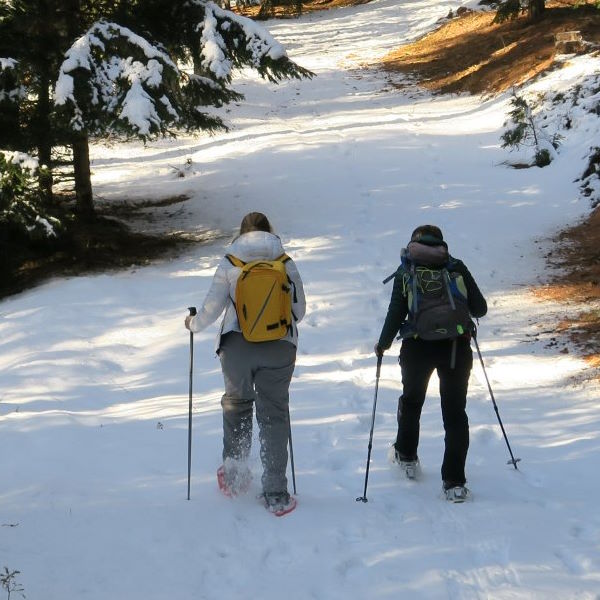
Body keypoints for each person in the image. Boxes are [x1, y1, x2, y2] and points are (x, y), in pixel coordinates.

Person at [185, 212, 306, 515]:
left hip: (237, 347)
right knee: (274, 415)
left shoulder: (231, 262)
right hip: (280, 347)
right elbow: (299, 311)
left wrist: (192, 324)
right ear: (271, 231)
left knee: (237, 406)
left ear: (240, 234)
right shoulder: (286, 262)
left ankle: (236, 479)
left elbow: (211, 309)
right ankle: (276, 492)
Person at [374, 225, 487, 501]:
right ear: (441, 243)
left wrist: (383, 344)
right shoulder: (455, 266)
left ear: (413, 242)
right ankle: (454, 483)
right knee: (455, 412)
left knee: (412, 401)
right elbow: (480, 308)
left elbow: (395, 312)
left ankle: (407, 456)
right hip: (455, 348)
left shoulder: (407, 269)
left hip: (417, 346)